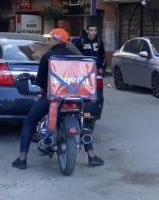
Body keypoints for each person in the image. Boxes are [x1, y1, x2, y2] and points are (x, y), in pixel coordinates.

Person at [12, 28, 105, 169]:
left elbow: (41, 82)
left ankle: (22, 159)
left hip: (52, 98)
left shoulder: (48, 56)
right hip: (75, 98)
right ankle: (92, 156)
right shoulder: (76, 57)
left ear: (56, 40)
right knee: (83, 123)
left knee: (29, 121)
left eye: (50, 39)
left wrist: (42, 90)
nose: (48, 41)